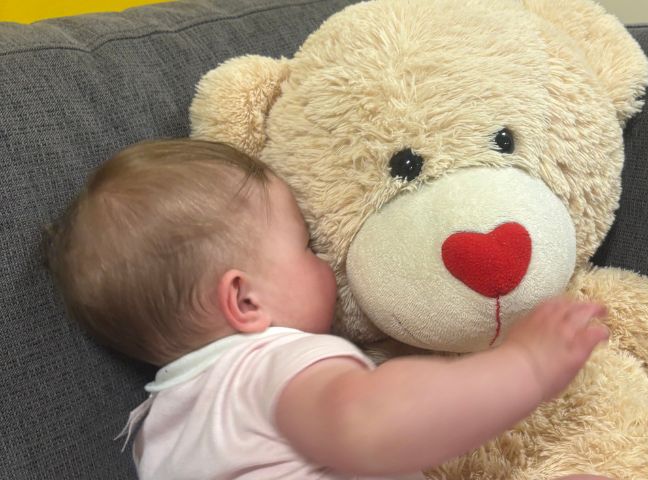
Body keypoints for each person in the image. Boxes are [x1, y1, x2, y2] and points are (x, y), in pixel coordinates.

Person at [45, 138, 611, 480]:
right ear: (245, 301)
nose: (325, 264)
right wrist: (525, 367)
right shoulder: (270, 364)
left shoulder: (158, 431)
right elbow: (371, 422)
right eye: (306, 247)